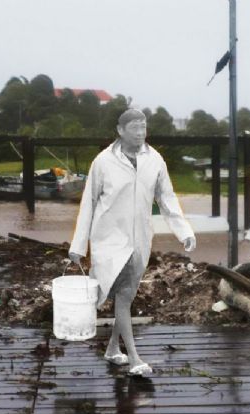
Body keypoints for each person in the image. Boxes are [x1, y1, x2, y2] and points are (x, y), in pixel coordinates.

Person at [69, 109, 196, 376]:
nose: (140, 133)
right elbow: (88, 204)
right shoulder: (103, 162)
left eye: (144, 127)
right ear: (120, 130)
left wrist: (184, 231)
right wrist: (78, 246)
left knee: (126, 296)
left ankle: (113, 349)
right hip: (109, 239)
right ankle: (135, 358)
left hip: (140, 239)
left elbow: (167, 199)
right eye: (135, 128)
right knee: (124, 297)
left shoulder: (155, 160)